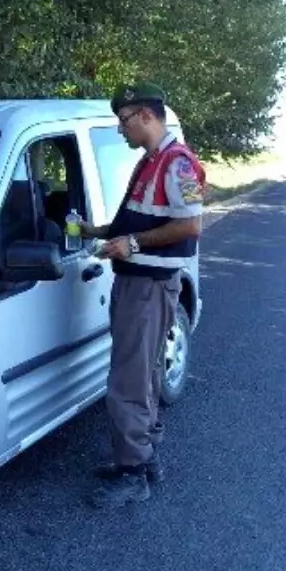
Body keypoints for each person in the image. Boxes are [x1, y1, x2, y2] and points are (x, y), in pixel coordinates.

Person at [79, 82, 207, 508]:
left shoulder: (178, 164)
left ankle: (133, 472)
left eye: (124, 120)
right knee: (144, 374)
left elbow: (190, 226)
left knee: (128, 381)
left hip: (149, 288)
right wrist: (97, 233)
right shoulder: (149, 163)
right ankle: (143, 457)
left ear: (147, 116)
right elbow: (133, 220)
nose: (120, 130)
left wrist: (131, 245)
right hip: (137, 284)